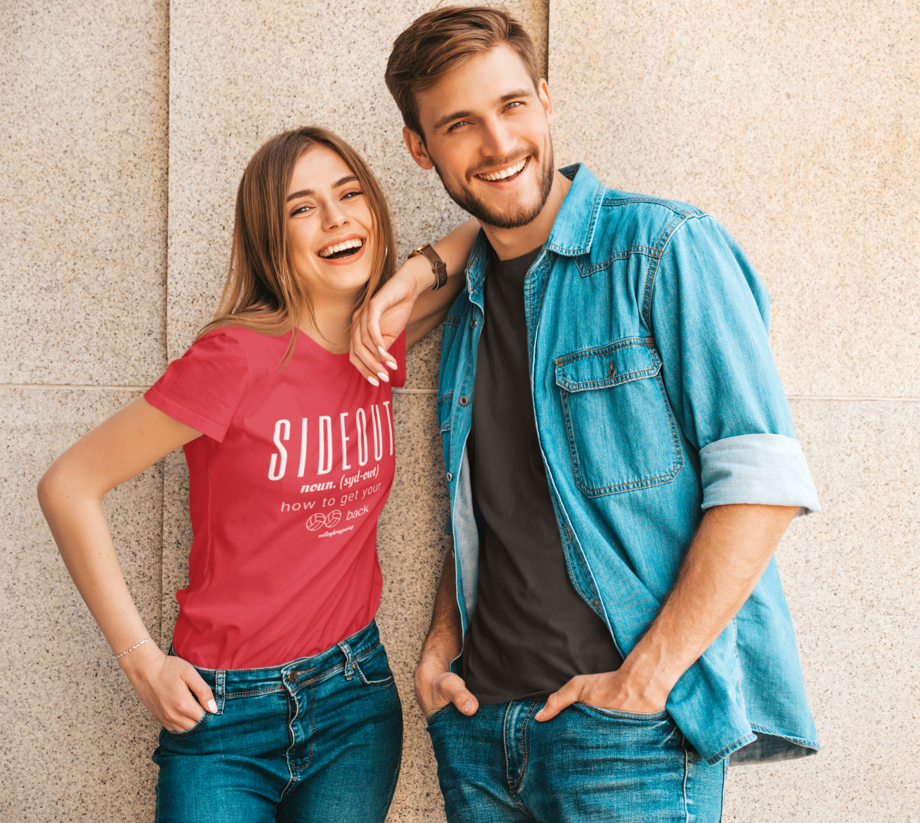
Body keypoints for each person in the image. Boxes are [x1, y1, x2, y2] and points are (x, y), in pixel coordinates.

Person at [350, 7, 822, 822]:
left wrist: (647, 680)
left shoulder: (662, 248)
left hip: (626, 735)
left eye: (511, 107)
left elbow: (762, 482)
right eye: (460, 124)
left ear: (545, 99)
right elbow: (487, 503)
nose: (497, 144)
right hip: (478, 728)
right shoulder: (462, 306)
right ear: (420, 148)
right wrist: (437, 646)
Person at [37, 125, 476, 823]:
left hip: (354, 699)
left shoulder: (376, 343)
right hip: (224, 714)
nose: (335, 219)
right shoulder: (234, 357)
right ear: (270, 237)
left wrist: (409, 279)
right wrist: (141, 661)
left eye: (349, 193)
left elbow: (490, 226)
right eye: (302, 208)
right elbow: (68, 485)